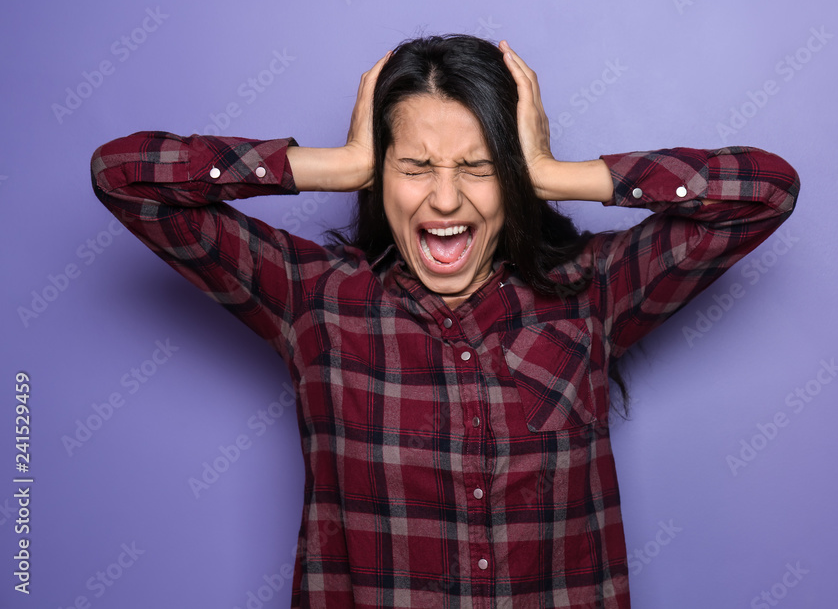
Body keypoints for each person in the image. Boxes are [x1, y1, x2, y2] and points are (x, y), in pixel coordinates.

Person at [91, 34, 799, 608]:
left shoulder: (592, 292)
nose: (446, 198)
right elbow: (123, 177)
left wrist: (553, 174)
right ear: (380, 173)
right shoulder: (316, 300)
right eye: (415, 166)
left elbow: (765, 192)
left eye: (480, 167)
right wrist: (333, 164)